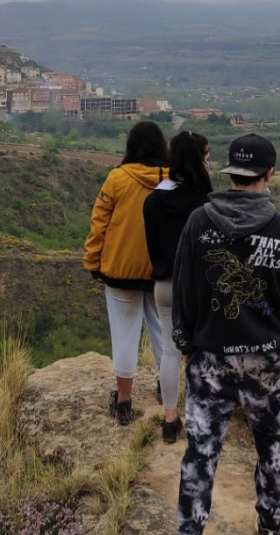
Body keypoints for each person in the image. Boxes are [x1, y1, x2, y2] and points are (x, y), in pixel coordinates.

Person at [171, 133, 280, 535]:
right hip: (269, 360)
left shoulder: (199, 221)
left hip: (211, 359)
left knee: (200, 454)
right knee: (272, 452)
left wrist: (185, 344)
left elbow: (184, 291)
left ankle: (190, 530)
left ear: (230, 174)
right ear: (270, 174)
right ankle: (268, 528)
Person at [83, 121, 167, 426]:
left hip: (120, 270)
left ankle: (123, 402)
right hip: (164, 271)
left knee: (124, 335)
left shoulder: (117, 179)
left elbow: (99, 224)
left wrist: (93, 262)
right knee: (165, 333)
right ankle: (166, 391)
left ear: (131, 146)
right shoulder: (176, 180)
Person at [143, 131, 213, 444]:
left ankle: (170, 420)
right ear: (200, 159)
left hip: (164, 284)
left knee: (170, 352)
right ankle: (202, 419)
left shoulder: (154, 199)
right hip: (196, 288)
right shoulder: (205, 202)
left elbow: (153, 245)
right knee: (202, 352)